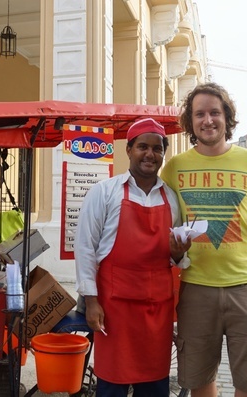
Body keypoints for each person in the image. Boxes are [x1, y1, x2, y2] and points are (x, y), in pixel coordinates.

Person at [160, 82, 247, 397]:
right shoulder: (174, 167)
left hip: (245, 286)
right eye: (199, 114)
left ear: (227, 118)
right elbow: (168, 228)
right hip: (196, 289)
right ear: (190, 121)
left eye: (215, 112)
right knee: (199, 382)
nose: (207, 120)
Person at [75, 118, 191, 396]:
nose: (150, 154)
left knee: (154, 385)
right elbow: (85, 249)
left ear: (163, 153)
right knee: (112, 385)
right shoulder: (104, 192)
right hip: (115, 309)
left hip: (157, 310)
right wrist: (91, 302)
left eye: (157, 148)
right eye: (142, 147)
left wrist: (177, 254)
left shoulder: (172, 198)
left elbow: (176, 258)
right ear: (128, 150)